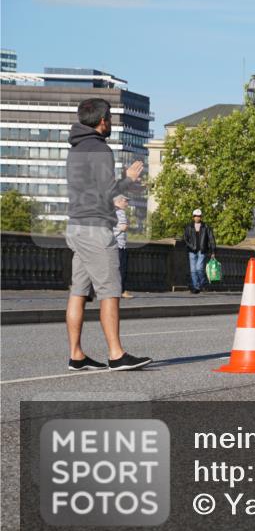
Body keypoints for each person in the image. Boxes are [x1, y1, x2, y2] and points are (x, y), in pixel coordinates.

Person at [64, 98, 151, 371]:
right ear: (103, 121)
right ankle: (116, 354)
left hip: (76, 225)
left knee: (78, 292)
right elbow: (108, 191)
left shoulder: (75, 148)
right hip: (96, 230)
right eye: (110, 117)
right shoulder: (100, 149)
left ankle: (76, 355)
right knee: (110, 291)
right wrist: (129, 179)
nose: (111, 122)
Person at [183, 209, 216, 294]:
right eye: (196, 216)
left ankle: (203, 284)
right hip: (192, 251)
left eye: (199, 216)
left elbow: (211, 239)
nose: (197, 218)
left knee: (199, 268)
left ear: (201, 217)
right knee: (193, 270)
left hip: (202, 250)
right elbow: (185, 239)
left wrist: (213, 251)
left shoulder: (206, 227)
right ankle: (196, 287)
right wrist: (191, 246)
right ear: (193, 217)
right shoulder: (189, 227)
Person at [113, 194, 133, 299]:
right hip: (117, 245)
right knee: (120, 269)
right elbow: (107, 228)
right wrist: (120, 229)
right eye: (125, 201)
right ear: (119, 201)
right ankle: (120, 291)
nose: (127, 204)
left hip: (122, 245)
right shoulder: (114, 212)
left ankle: (121, 290)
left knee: (122, 268)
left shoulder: (119, 212)